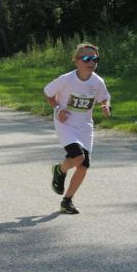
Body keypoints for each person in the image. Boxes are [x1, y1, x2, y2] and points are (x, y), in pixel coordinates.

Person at [44, 43, 111, 214]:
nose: (92, 62)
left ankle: (67, 201)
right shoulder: (66, 79)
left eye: (95, 59)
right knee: (78, 156)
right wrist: (58, 109)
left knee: (83, 165)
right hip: (65, 123)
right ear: (76, 61)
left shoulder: (97, 82)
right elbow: (48, 93)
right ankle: (60, 170)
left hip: (85, 127)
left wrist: (105, 106)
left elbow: (105, 98)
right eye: (87, 58)